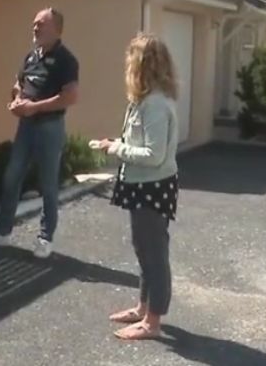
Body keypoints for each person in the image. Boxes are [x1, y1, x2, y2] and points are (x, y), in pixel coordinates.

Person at [91, 32, 181, 341]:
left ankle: (152, 323)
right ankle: (143, 308)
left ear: (142, 65)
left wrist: (116, 149)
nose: (126, 64)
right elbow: (141, 145)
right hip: (143, 185)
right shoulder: (144, 101)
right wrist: (116, 144)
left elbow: (153, 156)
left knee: (154, 253)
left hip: (152, 186)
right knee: (143, 248)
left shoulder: (155, 104)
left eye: (131, 59)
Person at [0, 7, 79, 258]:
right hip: (27, 127)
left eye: (41, 24)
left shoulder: (66, 60)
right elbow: (19, 84)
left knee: (48, 184)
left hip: (50, 128)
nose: (35, 27)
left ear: (56, 29)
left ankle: (45, 238)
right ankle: (1, 232)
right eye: (34, 23)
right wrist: (18, 101)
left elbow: (70, 96)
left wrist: (34, 107)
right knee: (12, 177)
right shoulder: (31, 57)